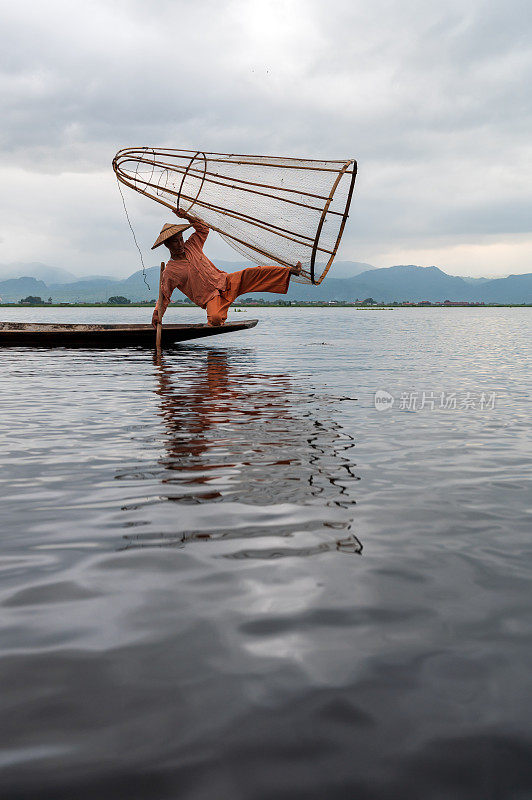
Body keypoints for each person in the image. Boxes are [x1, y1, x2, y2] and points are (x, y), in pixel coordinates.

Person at [151, 208, 302, 328]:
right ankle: (219, 320)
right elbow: (164, 296)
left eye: (181, 239)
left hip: (225, 281)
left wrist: (187, 216)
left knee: (255, 273)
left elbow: (203, 229)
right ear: (167, 245)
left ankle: (290, 271)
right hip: (210, 298)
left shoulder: (192, 245)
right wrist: (157, 314)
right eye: (175, 242)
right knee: (215, 319)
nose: (180, 244)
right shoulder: (170, 271)